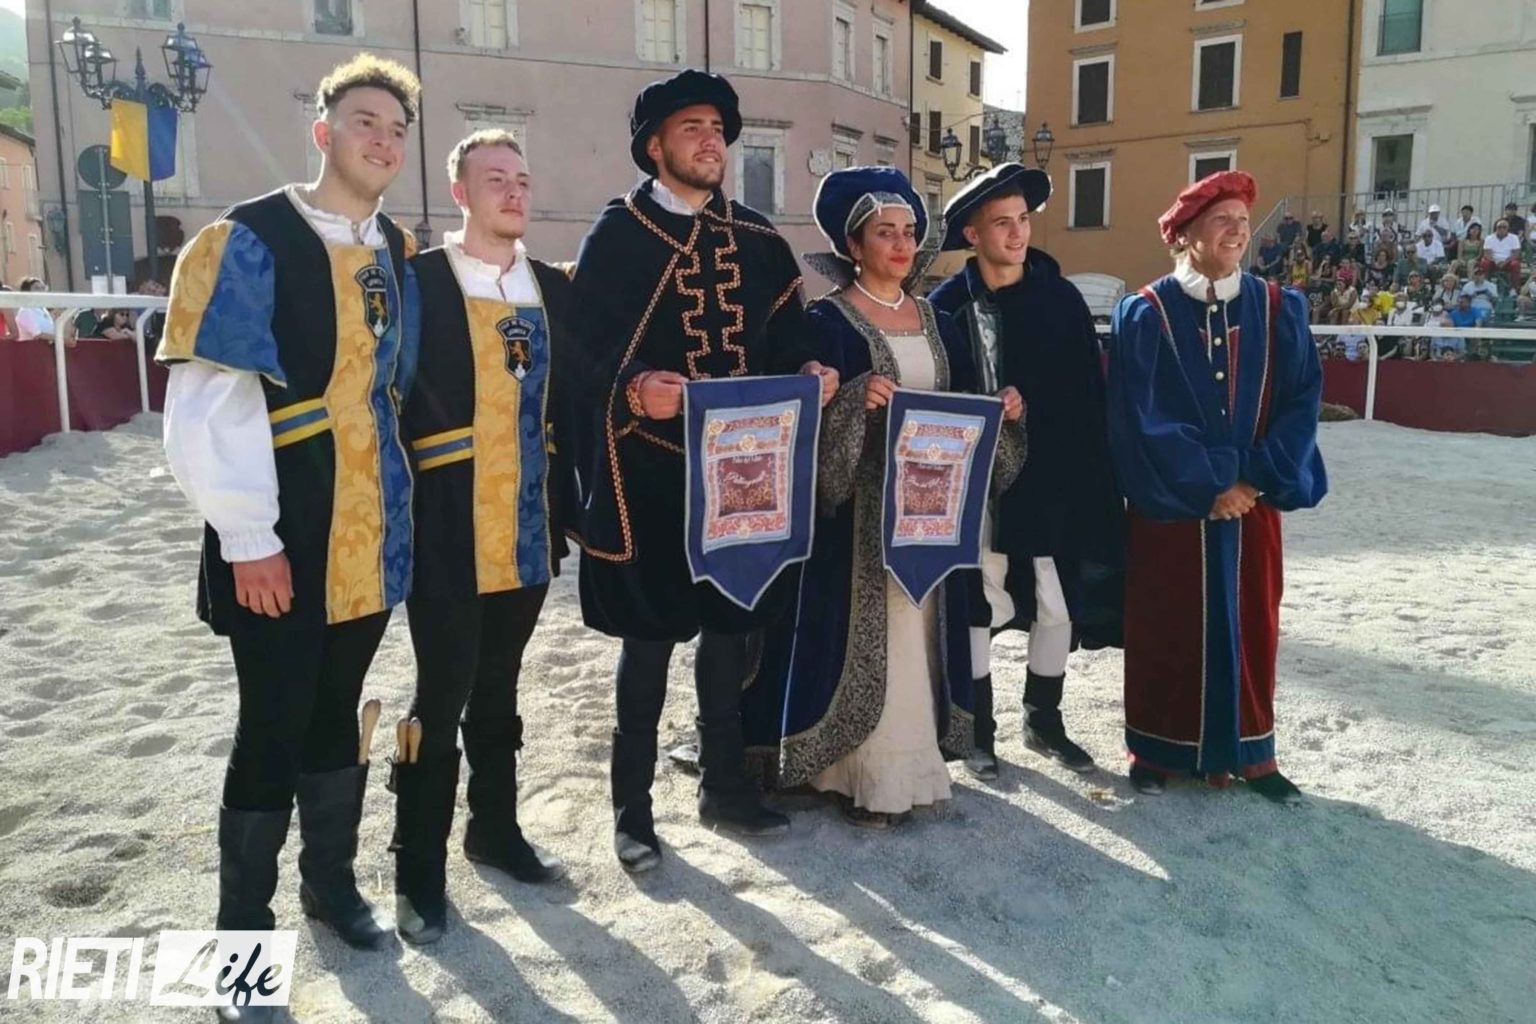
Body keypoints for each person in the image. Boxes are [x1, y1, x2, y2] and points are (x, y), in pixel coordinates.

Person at [157, 55, 423, 1014]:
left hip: (372, 526)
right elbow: (205, 405)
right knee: (271, 722)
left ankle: (329, 886)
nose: (382, 140)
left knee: (336, 708)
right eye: (364, 121)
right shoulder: (248, 240)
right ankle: (242, 944)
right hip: (281, 520)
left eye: (396, 129)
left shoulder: (395, 248)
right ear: (323, 132)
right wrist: (247, 536)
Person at [566, 70, 838, 872]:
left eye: (719, 129)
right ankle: (633, 811)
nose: (711, 141)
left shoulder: (757, 239)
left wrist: (812, 367)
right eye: (692, 128)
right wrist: (632, 388)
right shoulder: (618, 236)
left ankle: (724, 786)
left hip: (742, 476)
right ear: (654, 146)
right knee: (648, 646)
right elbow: (579, 355)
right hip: (651, 473)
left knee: (730, 636)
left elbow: (789, 336)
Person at [751, 166, 1024, 828]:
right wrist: (851, 400)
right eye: (884, 232)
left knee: (919, 632)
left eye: (908, 231)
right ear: (854, 245)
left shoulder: (940, 321)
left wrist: (1003, 410)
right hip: (857, 523)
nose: (901, 244)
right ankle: (860, 774)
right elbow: (797, 419)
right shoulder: (825, 322)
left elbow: (963, 407)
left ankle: (912, 762)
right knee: (873, 637)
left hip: (931, 516)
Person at [388, 130, 575, 946]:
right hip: (444, 524)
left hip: (529, 524)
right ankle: (415, 869)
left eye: (522, 178)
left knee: (499, 687)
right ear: (459, 192)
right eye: (495, 178)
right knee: (441, 691)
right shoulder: (420, 281)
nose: (514, 191)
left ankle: (493, 830)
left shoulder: (552, 288)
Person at [1107, 170, 1327, 804]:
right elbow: (1140, 415)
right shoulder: (1145, 313)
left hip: (1252, 504)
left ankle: (1254, 754)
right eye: (1221, 220)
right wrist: (1210, 484)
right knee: (1164, 623)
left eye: (1242, 220)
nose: (1236, 230)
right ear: (1185, 235)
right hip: (1173, 506)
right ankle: (1156, 749)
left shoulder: (1280, 308)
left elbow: (1301, 403)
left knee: (1254, 621)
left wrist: (1253, 478)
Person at [928, 163, 1123, 779]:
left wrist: (1036, 409)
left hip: (1053, 480)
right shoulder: (945, 308)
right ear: (972, 235)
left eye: (1023, 220)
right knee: (978, 600)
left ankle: (1044, 719)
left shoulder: (1060, 299)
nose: (1018, 233)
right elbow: (933, 396)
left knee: (1055, 602)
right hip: (979, 488)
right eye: (1002, 223)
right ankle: (978, 729)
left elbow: (1087, 394)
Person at [1481, 219, 1523, 289]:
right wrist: (1496, 261)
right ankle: (1484, 285)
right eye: (1499, 227)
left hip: (1508, 261)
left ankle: (1515, 288)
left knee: (1515, 264)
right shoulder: (1489, 238)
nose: (1502, 229)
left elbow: (1516, 253)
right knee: (1485, 263)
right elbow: (1487, 253)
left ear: (1508, 228)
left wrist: (1504, 262)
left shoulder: (1514, 238)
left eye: (1504, 227)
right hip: (1493, 261)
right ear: (1496, 228)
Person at [14, 276, 54, 341]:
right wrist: (63, 340)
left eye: (43, 288)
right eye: (36, 288)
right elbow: (38, 335)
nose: (41, 291)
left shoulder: (43, 310)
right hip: (31, 346)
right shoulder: (26, 311)